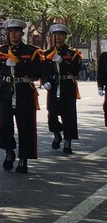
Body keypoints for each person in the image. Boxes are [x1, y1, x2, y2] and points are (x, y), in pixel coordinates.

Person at [0, 19, 42, 174]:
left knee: (26, 127)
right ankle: (9, 151)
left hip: (24, 91)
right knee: (5, 125)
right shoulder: (0, 51)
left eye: (16, 31)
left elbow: (37, 72)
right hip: (6, 91)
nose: (13, 34)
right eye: (10, 31)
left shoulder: (32, 51)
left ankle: (24, 158)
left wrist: (19, 65)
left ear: (22, 33)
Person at [42, 23, 80, 154]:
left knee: (68, 114)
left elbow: (75, 70)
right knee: (52, 112)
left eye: (60, 35)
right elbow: (44, 71)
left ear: (65, 37)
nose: (58, 37)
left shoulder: (72, 53)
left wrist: (63, 62)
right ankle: (57, 133)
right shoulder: (47, 53)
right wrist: (45, 81)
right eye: (55, 35)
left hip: (67, 85)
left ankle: (68, 141)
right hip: (53, 85)